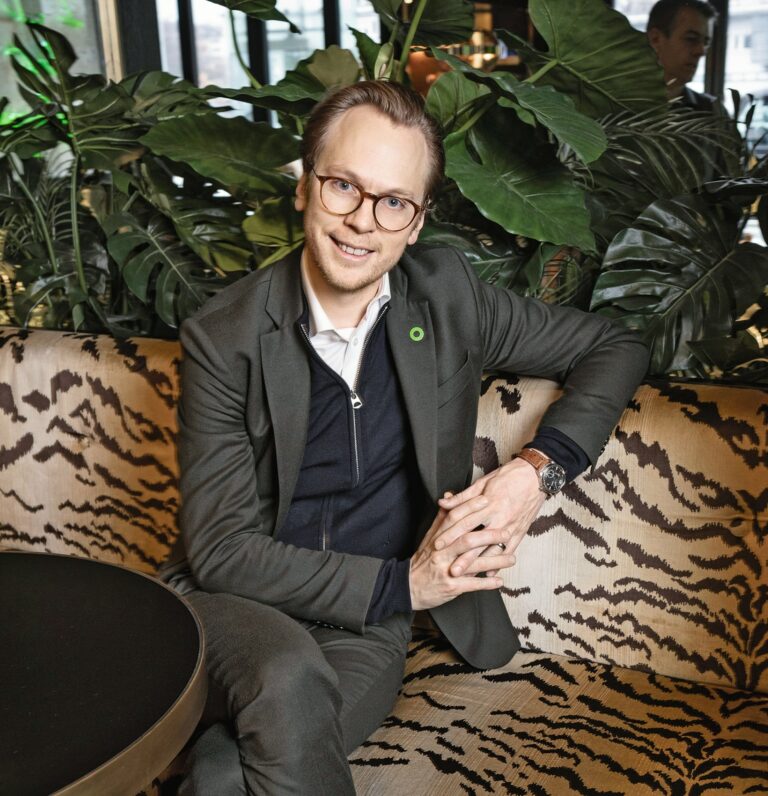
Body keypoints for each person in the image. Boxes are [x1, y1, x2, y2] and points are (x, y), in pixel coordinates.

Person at [161, 80, 649, 795]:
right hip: (237, 609)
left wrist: (534, 472)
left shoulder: (447, 297)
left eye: (394, 201)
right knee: (285, 673)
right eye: (343, 187)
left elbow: (614, 346)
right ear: (304, 187)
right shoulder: (224, 337)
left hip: (363, 629)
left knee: (226, 776)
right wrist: (405, 585)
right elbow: (224, 552)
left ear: (416, 223)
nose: (363, 221)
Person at [647, 0, 719, 111]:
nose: (701, 51)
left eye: (705, 43)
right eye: (691, 39)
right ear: (655, 39)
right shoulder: (620, 105)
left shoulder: (712, 111)